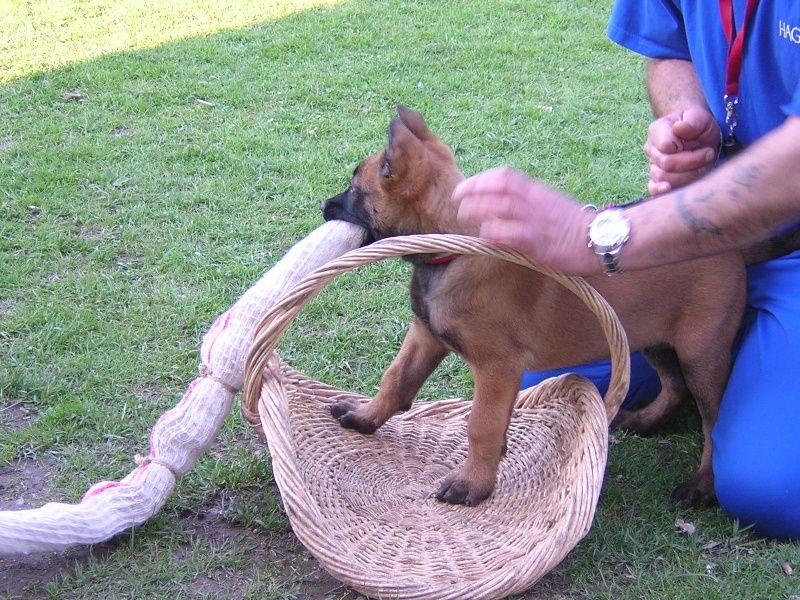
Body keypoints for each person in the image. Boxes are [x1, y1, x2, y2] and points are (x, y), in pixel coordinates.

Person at [452, 1, 800, 540]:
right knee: (546, 372)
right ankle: (694, 375)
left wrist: (605, 237)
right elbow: (671, 46)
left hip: (784, 237)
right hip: (702, 223)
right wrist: (690, 117)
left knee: (768, 487)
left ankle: (728, 380)